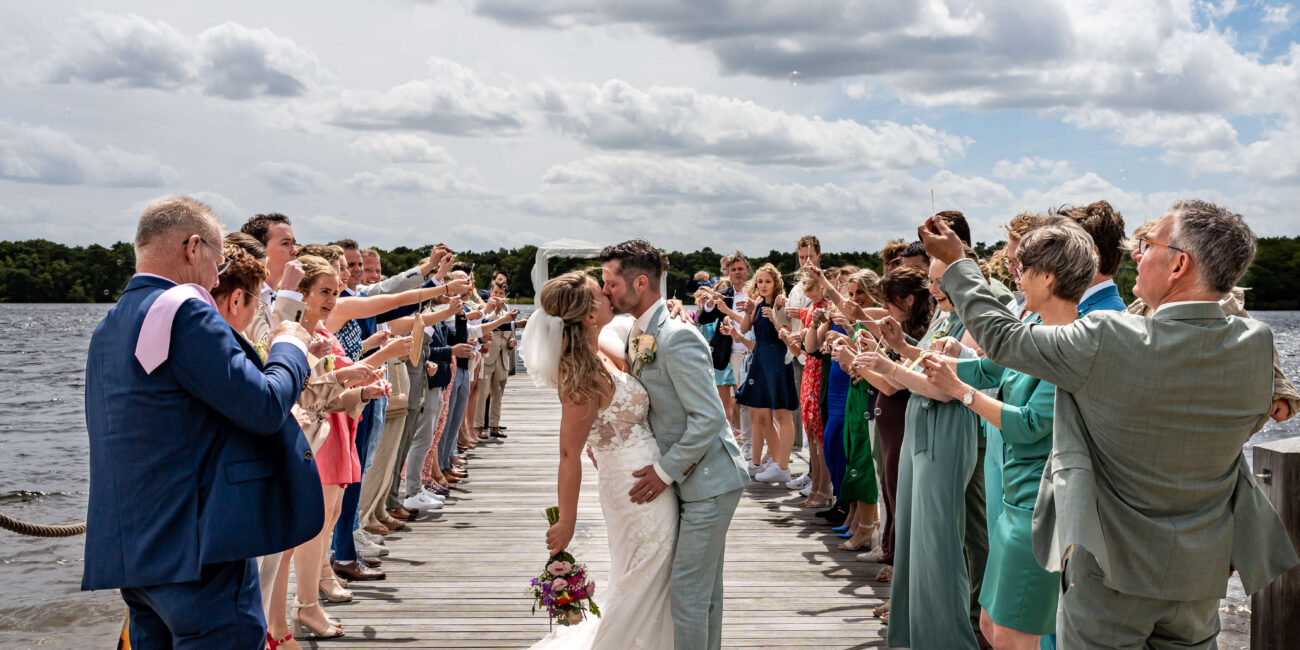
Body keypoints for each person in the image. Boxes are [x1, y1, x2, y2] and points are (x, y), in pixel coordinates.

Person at [918, 200, 1300, 649]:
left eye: (1147, 244)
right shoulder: (1255, 343)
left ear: (1179, 264)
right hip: (1200, 574)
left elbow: (1004, 339)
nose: (1136, 254)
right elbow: (1254, 418)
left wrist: (959, 264)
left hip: (1110, 573)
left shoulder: (1109, 336)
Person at [83, 195, 320, 648]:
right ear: (194, 248)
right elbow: (265, 406)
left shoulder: (109, 325)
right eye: (219, 257)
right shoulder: (186, 311)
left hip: (135, 553)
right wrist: (290, 346)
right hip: (198, 556)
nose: (218, 273)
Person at [918, 218, 1099, 649]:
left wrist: (960, 393)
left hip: (1038, 513)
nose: (1016, 276)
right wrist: (921, 362)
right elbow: (986, 367)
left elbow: (1030, 426)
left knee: (1015, 638)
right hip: (1009, 507)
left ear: (1049, 277)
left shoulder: (1073, 346)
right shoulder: (1033, 333)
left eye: (1023, 269)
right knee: (989, 625)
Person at [598, 240, 750, 650]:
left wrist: (664, 472)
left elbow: (710, 418)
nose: (606, 290)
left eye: (610, 282)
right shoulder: (638, 330)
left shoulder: (677, 337)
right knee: (706, 595)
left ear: (641, 282)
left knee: (686, 593)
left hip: (710, 482)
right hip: (691, 479)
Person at [526, 270, 680, 649]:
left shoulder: (603, 351)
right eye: (602, 293)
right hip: (634, 490)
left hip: (649, 475)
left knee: (649, 575)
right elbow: (568, 453)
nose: (612, 294)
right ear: (590, 316)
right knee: (644, 575)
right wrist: (567, 521)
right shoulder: (579, 374)